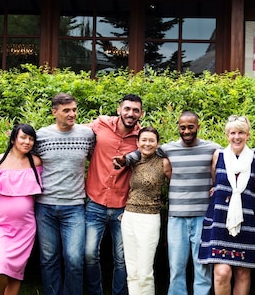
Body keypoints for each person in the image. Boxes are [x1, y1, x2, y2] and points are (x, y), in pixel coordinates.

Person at [33, 93, 95, 295]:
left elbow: (97, 161)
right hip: (45, 206)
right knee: (49, 258)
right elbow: (26, 164)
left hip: (75, 206)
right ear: (54, 112)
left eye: (74, 110)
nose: (72, 114)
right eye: (66, 110)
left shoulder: (87, 135)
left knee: (74, 258)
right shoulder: (41, 136)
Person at [0, 124, 43, 295]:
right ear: (13, 139)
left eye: (31, 139)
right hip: (0, 225)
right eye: (23, 137)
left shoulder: (35, 162)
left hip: (25, 227)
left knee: (16, 271)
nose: (27, 142)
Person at [84, 94, 143, 295]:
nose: (131, 113)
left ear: (141, 114)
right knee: (90, 254)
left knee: (122, 257)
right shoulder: (100, 125)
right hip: (95, 201)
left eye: (135, 110)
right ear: (119, 109)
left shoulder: (141, 138)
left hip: (122, 206)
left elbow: (154, 153)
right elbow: (73, 132)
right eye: (127, 109)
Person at [198, 115, 255, 295]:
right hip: (219, 219)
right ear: (227, 135)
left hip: (246, 220)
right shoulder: (218, 156)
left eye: (241, 132)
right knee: (221, 272)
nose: (237, 137)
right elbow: (215, 182)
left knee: (243, 272)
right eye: (232, 133)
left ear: (248, 135)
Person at [161, 111, 221, 295]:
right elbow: (144, 150)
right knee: (176, 266)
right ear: (178, 127)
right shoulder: (167, 149)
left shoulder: (212, 148)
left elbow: (236, 155)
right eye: (182, 127)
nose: (186, 131)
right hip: (176, 217)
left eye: (190, 127)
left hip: (203, 216)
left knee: (202, 266)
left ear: (198, 127)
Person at [116, 126, 171, 295]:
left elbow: (174, 188)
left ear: (157, 143)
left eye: (151, 140)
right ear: (138, 142)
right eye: (144, 140)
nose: (147, 144)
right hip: (129, 216)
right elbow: (119, 164)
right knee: (131, 271)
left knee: (145, 272)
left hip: (149, 218)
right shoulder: (133, 161)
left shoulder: (163, 162)